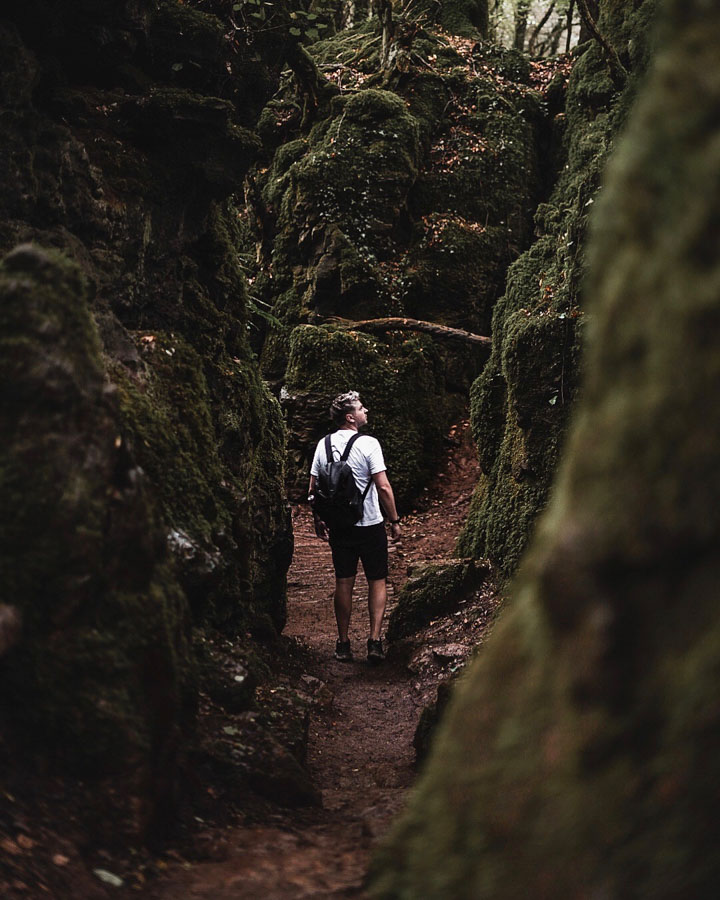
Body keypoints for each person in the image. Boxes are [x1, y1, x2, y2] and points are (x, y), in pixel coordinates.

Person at [308, 391, 401, 664]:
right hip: (370, 524)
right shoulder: (369, 443)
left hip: (340, 527)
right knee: (377, 580)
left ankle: (343, 643)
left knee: (344, 582)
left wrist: (318, 520)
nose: (366, 411)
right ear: (350, 417)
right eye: (361, 408)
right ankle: (374, 641)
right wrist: (394, 520)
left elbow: (313, 490)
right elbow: (383, 486)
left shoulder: (322, 445)